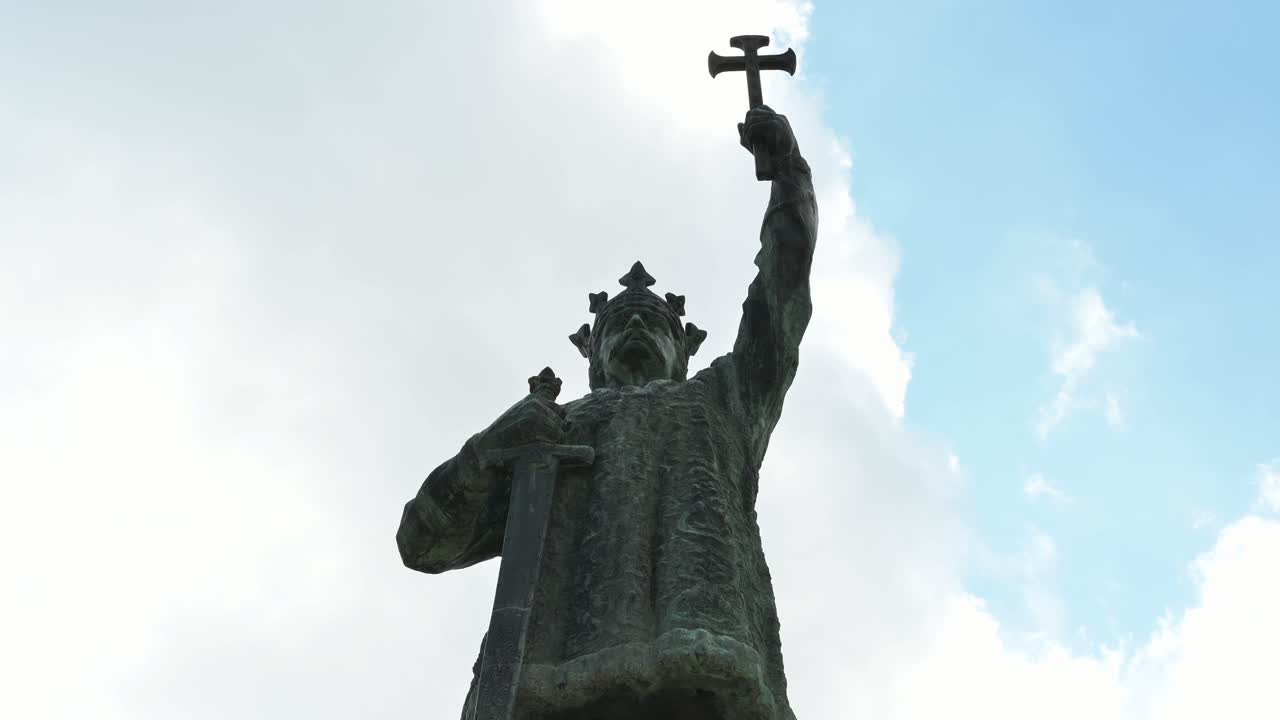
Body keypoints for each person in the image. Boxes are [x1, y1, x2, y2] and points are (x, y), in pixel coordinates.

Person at [398, 106, 817, 720]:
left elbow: (781, 297)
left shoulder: (725, 397)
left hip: (703, 684)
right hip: (549, 690)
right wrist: (486, 451)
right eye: (620, 324)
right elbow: (423, 542)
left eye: (654, 322)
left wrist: (789, 177)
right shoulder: (550, 431)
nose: (639, 328)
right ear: (592, 357)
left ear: (682, 351)